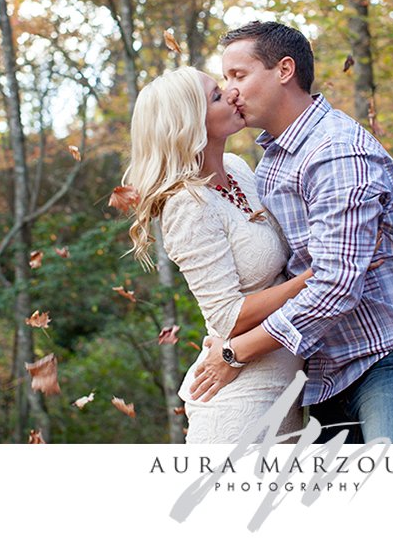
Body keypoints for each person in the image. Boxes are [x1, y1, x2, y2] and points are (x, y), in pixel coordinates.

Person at [189, 21, 393, 444]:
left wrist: (235, 352)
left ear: (284, 70)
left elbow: (335, 285)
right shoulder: (272, 160)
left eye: (238, 75)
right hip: (325, 367)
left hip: (387, 353)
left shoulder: (336, 152)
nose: (232, 90)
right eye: (226, 80)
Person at [122, 66, 309, 443]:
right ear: (190, 123)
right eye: (217, 96)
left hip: (285, 390)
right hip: (242, 406)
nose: (233, 94)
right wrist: (314, 278)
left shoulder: (238, 169)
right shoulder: (187, 205)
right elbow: (227, 317)